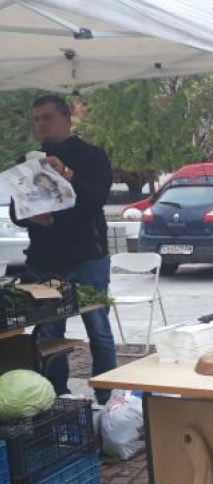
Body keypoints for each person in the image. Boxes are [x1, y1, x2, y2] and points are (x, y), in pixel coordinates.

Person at [10, 94, 117, 404]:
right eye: (36, 120)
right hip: (44, 259)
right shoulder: (27, 161)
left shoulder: (92, 156)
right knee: (48, 334)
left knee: (98, 329)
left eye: (47, 117)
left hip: (87, 257)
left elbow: (96, 200)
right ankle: (58, 397)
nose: (41, 125)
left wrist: (66, 172)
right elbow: (18, 211)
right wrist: (32, 217)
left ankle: (107, 399)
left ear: (67, 117)